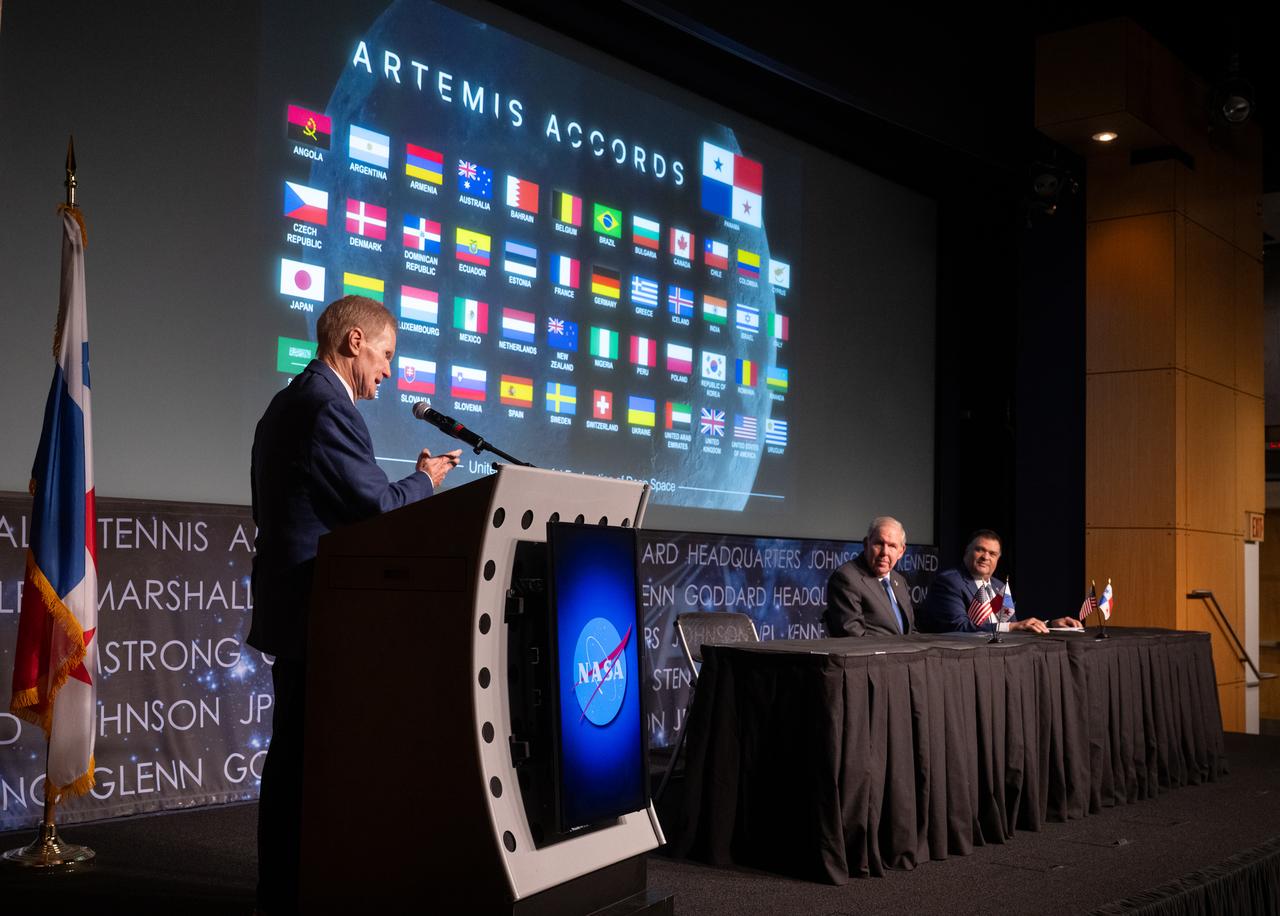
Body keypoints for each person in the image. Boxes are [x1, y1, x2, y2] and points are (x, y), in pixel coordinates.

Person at [247, 295, 461, 913]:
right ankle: (292, 893)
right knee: (303, 762)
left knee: (300, 757)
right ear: (354, 342)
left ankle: (292, 889)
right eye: (386, 355)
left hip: (305, 606)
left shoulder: (285, 403)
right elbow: (376, 509)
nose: (389, 372)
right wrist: (426, 480)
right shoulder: (324, 406)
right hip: (321, 610)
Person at [916, 529, 1084, 634]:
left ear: (998, 558)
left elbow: (1015, 625)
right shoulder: (950, 582)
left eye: (992, 553)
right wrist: (1011, 627)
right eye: (980, 550)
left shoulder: (998, 586)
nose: (985, 557)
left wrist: (1050, 625)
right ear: (966, 552)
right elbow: (959, 628)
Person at [824, 516, 916, 636]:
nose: (884, 552)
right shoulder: (846, 578)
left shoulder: (899, 581)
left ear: (901, 551)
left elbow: (910, 631)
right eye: (879, 544)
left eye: (892, 546)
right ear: (866, 544)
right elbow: (853, 635)